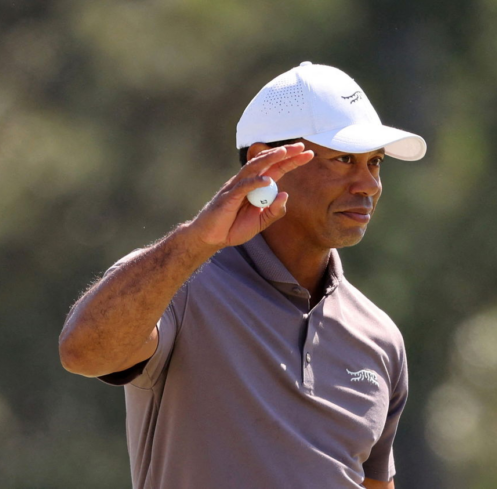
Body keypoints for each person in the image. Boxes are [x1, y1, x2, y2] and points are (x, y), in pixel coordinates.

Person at [59, 61, 426, 489]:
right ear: (264, 163)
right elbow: (82, 353)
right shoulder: (179, 285)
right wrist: (196, 242)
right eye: (344, 159)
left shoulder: (380, 337)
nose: (369, 185)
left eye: (375, 162)